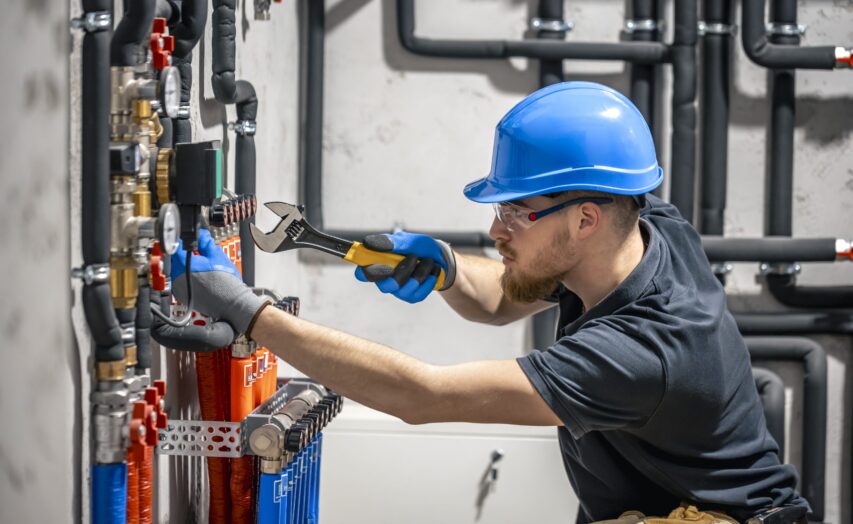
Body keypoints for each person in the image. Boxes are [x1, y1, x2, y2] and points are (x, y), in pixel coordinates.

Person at [172, 82, 809, 523]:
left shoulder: (644, 351)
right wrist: (447, 267)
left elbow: (423, 396)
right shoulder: (646, 228)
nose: (498, 229)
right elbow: (505, 300)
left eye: (515, 212)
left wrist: (246, 311)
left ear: (586, 219)